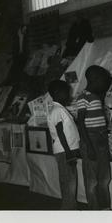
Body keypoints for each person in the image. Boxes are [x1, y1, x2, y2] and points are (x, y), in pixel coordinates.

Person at [77, 65, 112, 210]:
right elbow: (80, 122)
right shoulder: (83, 97)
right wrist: (89, 146)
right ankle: (95, 210)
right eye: (103, 82)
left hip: (101, 140)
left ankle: (105, 208)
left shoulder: (97, 97)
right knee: (92, 181)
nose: (105, 85)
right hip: (90, 141)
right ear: (95, 80)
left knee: (104, 178)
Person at [47, 80, 80, 210]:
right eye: (66, 92)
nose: (69, 95)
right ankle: (68, 210)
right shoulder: (57, 110)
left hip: (66, 151)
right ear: (57, 93)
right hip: (64, 152)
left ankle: (71, 207)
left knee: (71, 181)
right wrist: (69, 152)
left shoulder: (60, 109)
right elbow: (60, 133)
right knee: (68, 182)